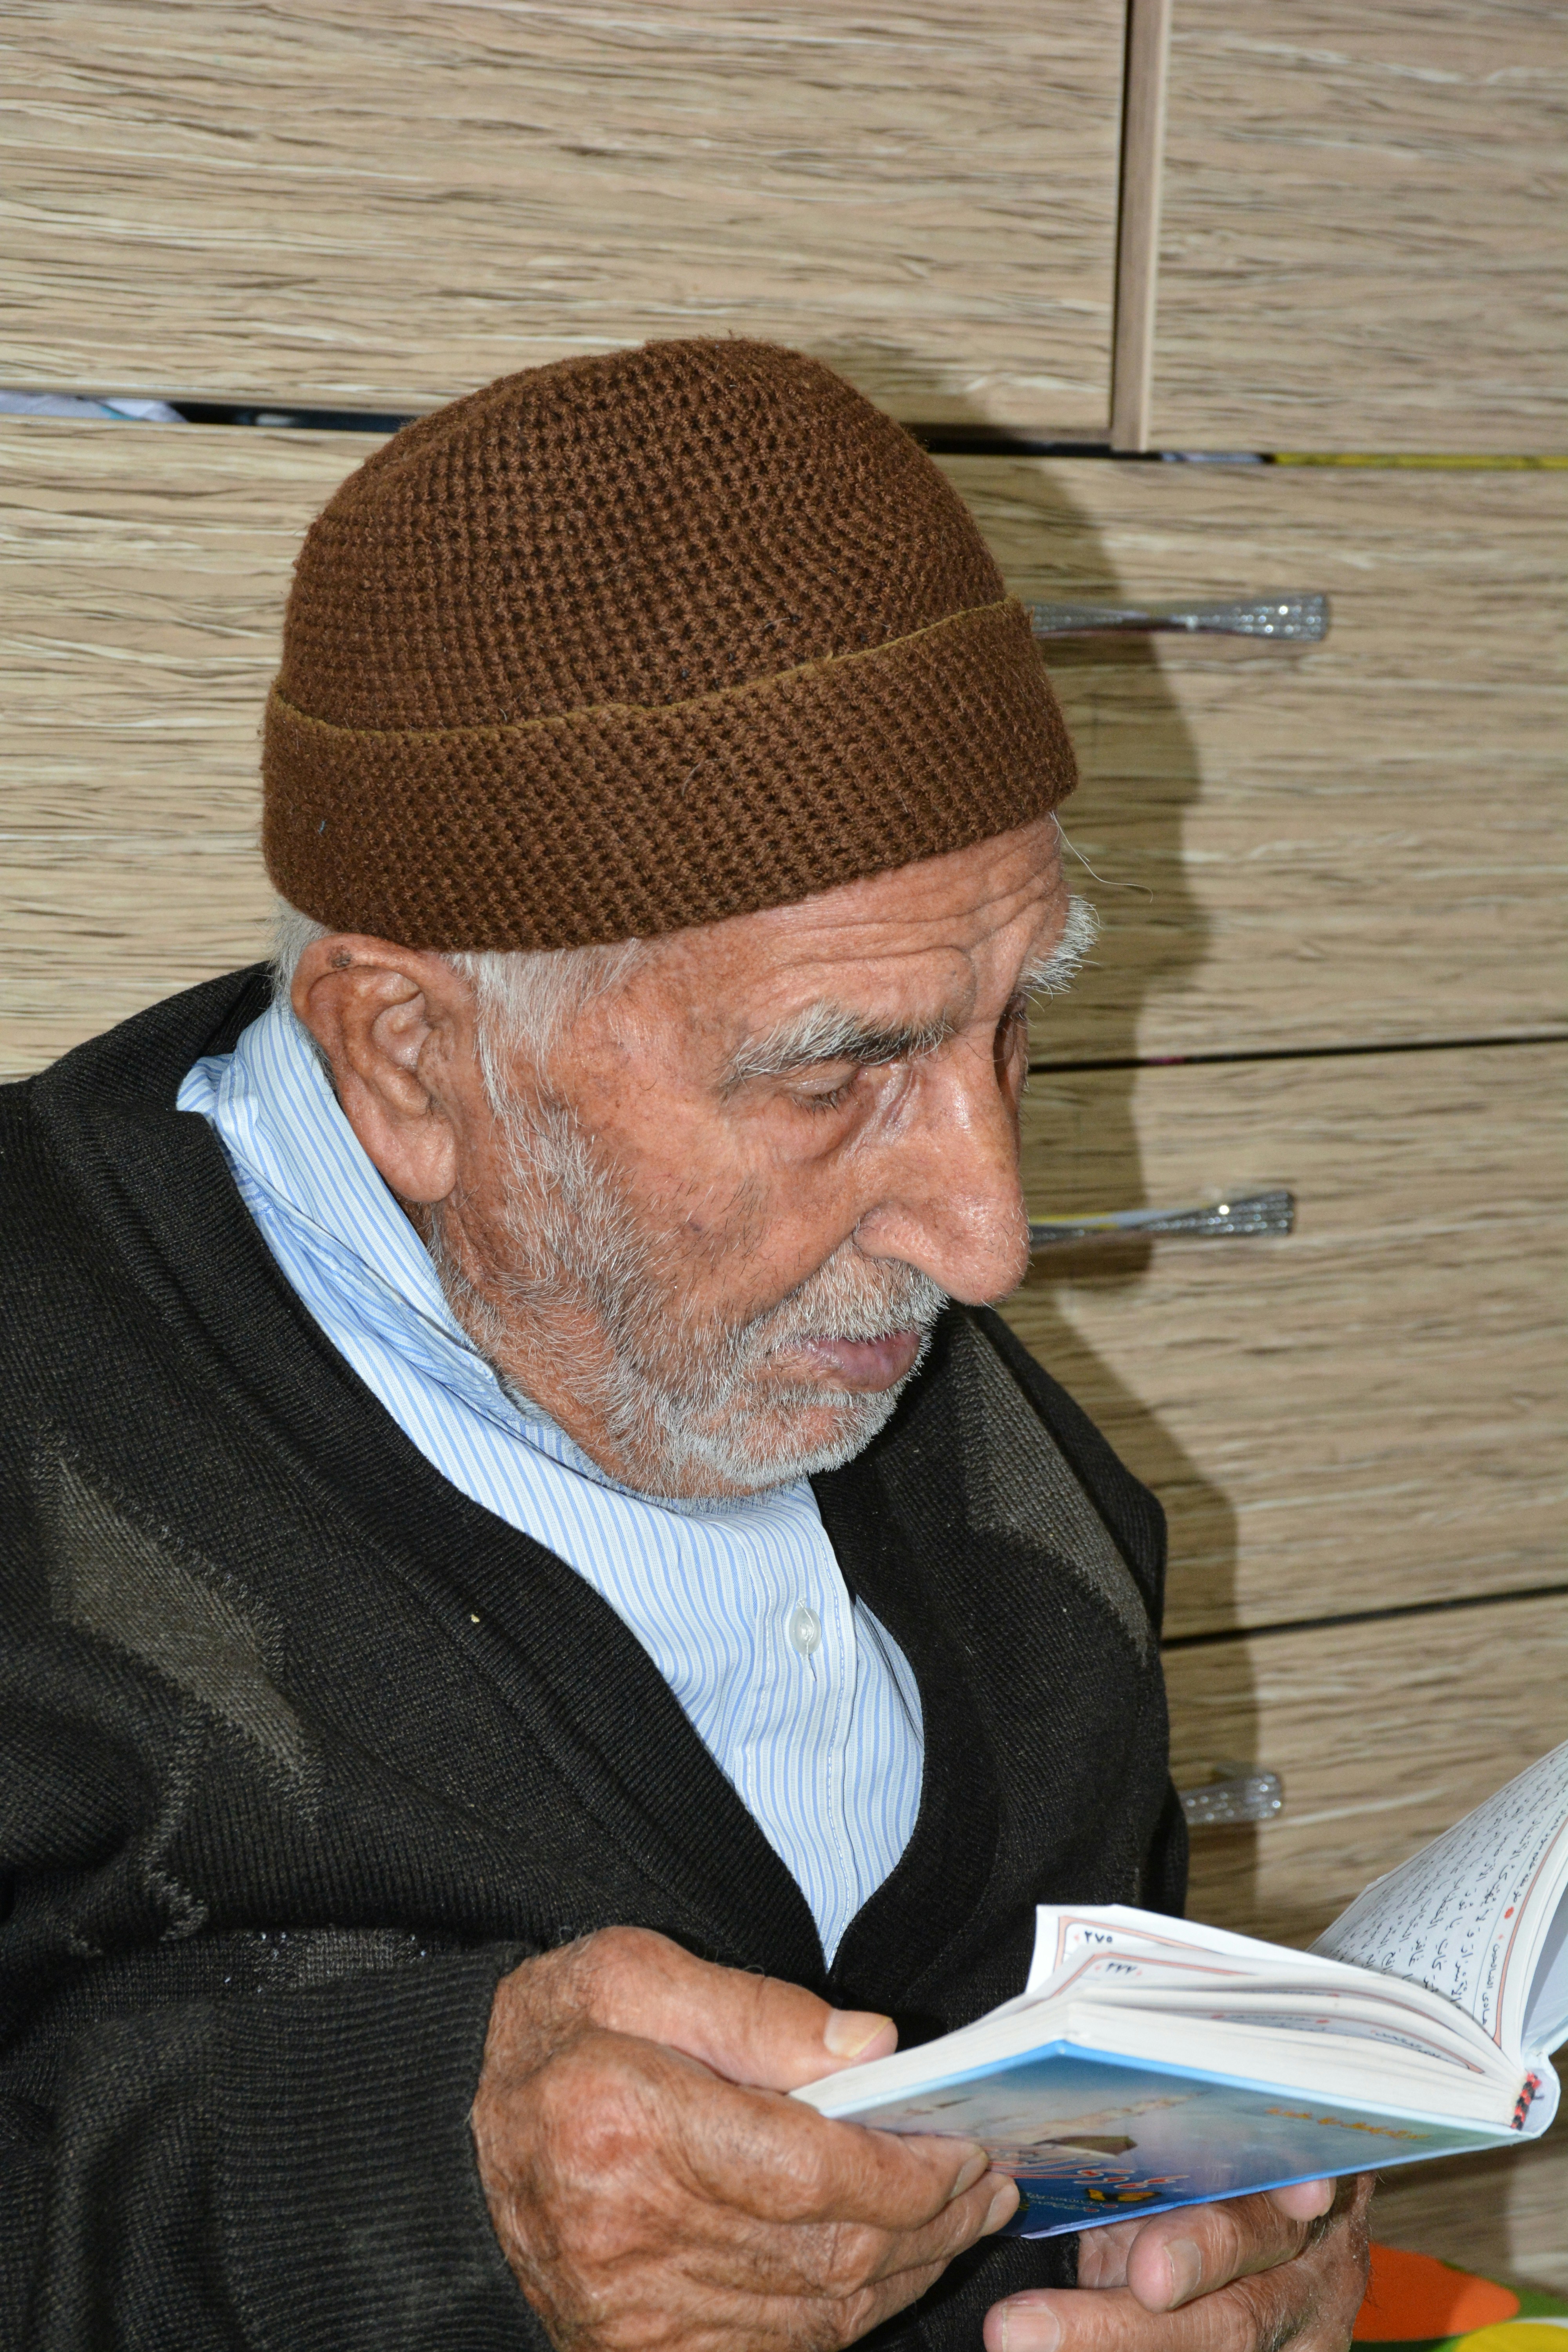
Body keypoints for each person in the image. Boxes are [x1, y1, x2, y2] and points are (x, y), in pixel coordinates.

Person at [0, 341, 1370, 2350]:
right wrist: (404, 2188)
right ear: (411, 1060)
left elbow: (1076, 2144)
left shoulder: (996, 1483)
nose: (986, 1239)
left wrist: (1239, 2259)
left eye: (1012, 1023)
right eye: (841, 1069)